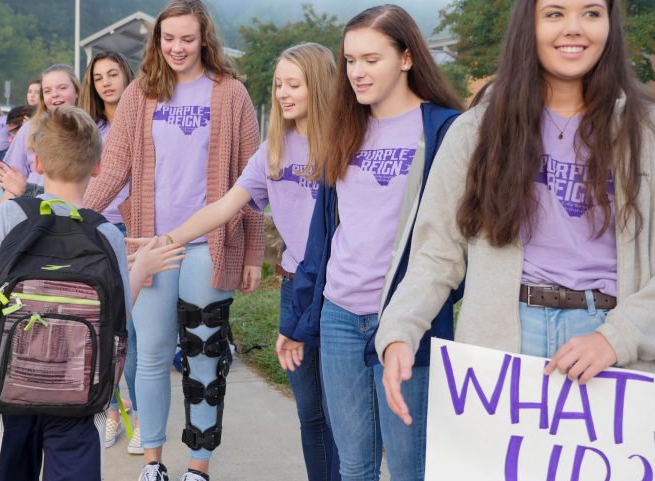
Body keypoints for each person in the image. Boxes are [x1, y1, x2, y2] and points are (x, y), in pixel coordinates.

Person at [377, 0, 655, 436]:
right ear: (530, 24)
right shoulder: (476, 132)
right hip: (500, 346)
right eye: (555, 13)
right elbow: (435, 255)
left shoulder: (646, 133)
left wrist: (616, 338)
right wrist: (398, 330)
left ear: (610, 25)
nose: (574, 28)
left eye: (592, 13)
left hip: (609, 348)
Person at [0, 105, 185, 481]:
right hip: (80, 392)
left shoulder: (10, 217)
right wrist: (141, 268)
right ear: (97, 166)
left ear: (36, 161)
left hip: (10, 387)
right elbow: (119, 315)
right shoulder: (105, 234)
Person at [281, 5, 464, 481]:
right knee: (354, 465)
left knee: (409, 467)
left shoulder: (445, 129)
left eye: (371, 59)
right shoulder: (344, 127)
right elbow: (321, 239)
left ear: (406, 58)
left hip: (407, 321)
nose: (357, 72)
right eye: (349, 60)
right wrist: (298, 318)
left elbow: (457, 239)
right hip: (340, 315)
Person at [143, 43, 341, 481]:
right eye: (278, 85)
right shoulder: (274, 149)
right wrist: (166, 240)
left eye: (295, 84)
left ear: (322, 86)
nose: (284, 94)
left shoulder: (346, 144)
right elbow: (223, 207)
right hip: (296, 289)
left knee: (343, 413)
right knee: (310, 413)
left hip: (343, 291)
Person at [83, 1, 263, 480]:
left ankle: (198, 467)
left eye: (187, 38)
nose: (177, 48)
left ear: (204, 38)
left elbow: (252, 180)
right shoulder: (141, 93)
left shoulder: (231, 94)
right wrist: (76, 218)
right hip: (149, 246)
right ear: (156, 41)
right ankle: (153, 464)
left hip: (210, 244)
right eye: (168, 38)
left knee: (205, 358)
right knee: (153, 356)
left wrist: (252, 252)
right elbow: (115, 166)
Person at [76, 50, 144, 453]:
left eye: (113, 74)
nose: (106, 82)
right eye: (98, 76)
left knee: (134, 332)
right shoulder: (90, 129)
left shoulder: (143, 122)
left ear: (127, 77)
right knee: (103, 331)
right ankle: (113, 412)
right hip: (97, 231)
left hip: (135, 234)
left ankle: (143, 419)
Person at [2, 64, 80, 199]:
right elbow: (12, 186)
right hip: (33, 212)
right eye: (47, 91)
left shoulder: (93, 129)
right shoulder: (29, 129)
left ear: (77, 90)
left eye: (62, 88)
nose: (55, 95)